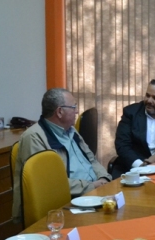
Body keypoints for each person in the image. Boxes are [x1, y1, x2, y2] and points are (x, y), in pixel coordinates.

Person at [12, 88, 112, 224]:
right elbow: (49, 184)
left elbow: (91, 159)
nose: (77, 111)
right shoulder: (34, 137)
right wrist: (91, 186)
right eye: (73, 107)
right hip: (68, 205)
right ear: (60, 112)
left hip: (93, 194)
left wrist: (103, 178)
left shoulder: (71, 131)